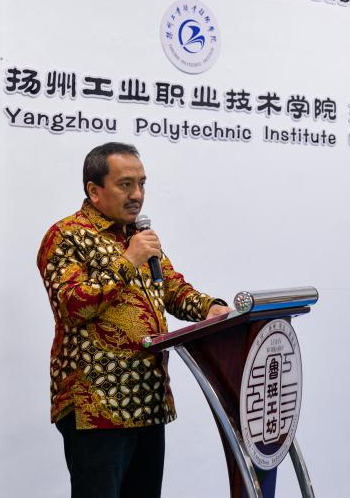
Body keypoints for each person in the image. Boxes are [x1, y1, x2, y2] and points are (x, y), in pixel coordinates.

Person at [37, 142, 230, 498]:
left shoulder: (139, 237)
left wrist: (210, 309)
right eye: (125, 184)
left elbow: (172, 289)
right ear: (94, 190)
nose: (137, 195)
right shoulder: (66, 235)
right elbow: (71, 305)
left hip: (148, 399)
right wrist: (128, 261)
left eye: (141, 184)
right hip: (96, 405)